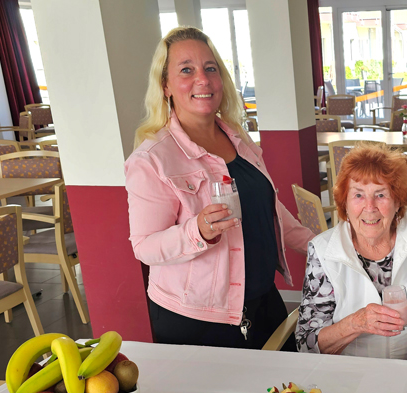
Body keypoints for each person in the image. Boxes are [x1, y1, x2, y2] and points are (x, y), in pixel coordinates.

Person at [125, 27, 314, 348]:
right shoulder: (152, 159)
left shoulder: (239, 139)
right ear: (165, 85)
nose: (203, 79)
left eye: (210, 68)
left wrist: (326, 246)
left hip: (264, 301)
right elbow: (144, 247)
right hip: (198, 320)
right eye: (187, 70)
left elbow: (269, 210)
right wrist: (196, 231)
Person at [295, 144, 407, 361]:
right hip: (350, 376)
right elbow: (306, 342)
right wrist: (355, 323)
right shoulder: (323, 251)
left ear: (397, 201)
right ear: (344, 203)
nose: (369, 207)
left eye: (380, 195)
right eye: (358, 195)